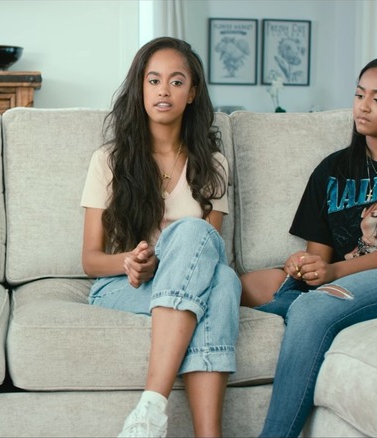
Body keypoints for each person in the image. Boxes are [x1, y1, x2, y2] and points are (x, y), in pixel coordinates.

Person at [240, 56, 377, 437]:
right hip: (344, 284)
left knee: (310, 309)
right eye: (359, 95)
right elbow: (319, 257)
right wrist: (304, 265)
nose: (362, 106)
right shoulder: (332, 170)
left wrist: (332, 273)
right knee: (270, 299)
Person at [80, 36, 239, 438]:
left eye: (176, 81)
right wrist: (130, 261)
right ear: (140, 88)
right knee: (217, 277)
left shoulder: (214, 165)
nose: (163, 90)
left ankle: (162, 418)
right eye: (153, 80)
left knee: (221, 279)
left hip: (185, 280)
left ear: (193, 92)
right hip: (120, 286)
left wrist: (168, 259)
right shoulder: (109, 160)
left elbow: (209, 253)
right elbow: (90, 260)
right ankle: (157, 410)